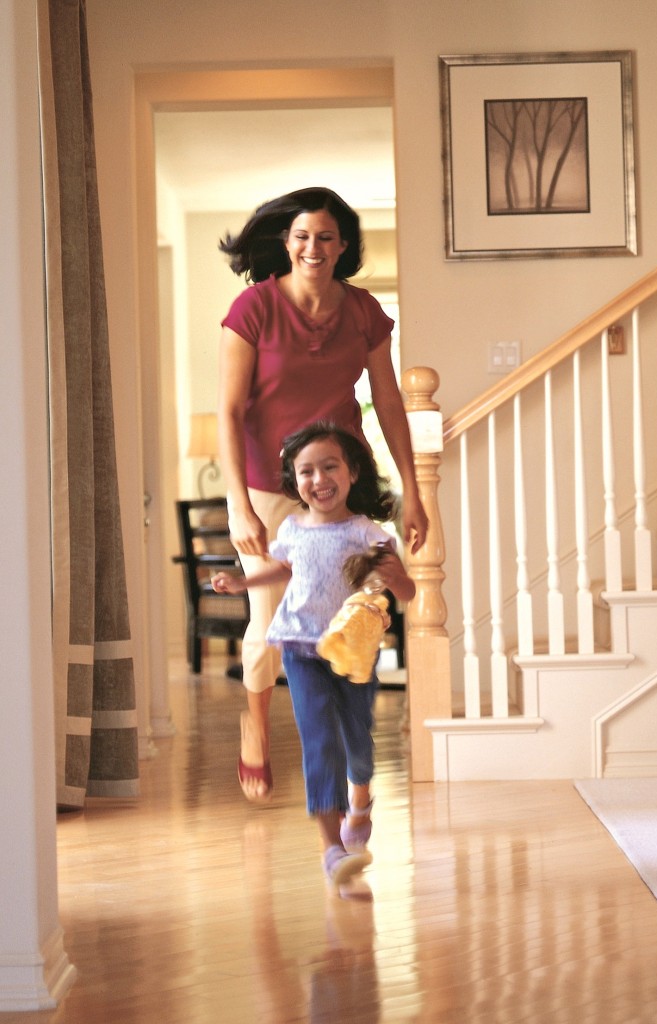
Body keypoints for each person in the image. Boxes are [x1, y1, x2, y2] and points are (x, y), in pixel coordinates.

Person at [217, 186, 428, 803]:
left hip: (339, 485)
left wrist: (411, 490)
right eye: (303, 235)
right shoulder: (253, 308)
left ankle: (341, 728)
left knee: (351, 608)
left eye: (327, 237)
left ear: (344, 247)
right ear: (286, 242)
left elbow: (388, 403)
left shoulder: (364, 313)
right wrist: (238, 504)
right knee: (271, 618)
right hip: (267, 485)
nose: (314, 247)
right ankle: (255, 721)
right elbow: (229, 411)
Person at [212, 423, 416, 888]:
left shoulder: (368, 533)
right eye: (306, 471)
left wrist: (393, 574)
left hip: (352, 654)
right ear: (294, 480)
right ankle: (332, 849)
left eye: (330, 467)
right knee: (319, 741)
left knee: (357, 745)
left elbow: (407, 590)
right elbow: (282, 568)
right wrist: (243, 583)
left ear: (352, 473)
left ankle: (360, 799)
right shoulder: (291, 528)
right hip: (300, 648)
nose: (318, 479)